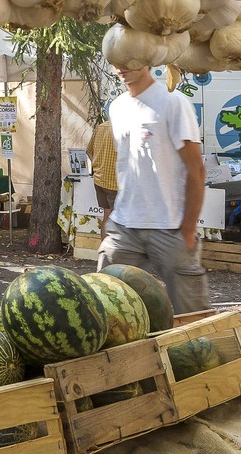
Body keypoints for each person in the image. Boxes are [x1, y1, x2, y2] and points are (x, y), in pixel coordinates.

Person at [96, 66, 211, 313]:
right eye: (116, 59)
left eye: (129, 58)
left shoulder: (173, 102)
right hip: (124, 225)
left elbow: (197, 170)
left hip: (170, 227)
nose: (121, 66)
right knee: (105, 304)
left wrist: (188, 229)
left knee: (192, 313)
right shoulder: (117, 107)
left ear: (147, 60)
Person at [88, 116, 118, 231]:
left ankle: (105, 248)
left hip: (100, 180)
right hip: (115, 183)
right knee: (118, 221)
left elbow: (89, 151)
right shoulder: (125, 129)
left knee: (107, 216)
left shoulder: (101, 127)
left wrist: (98, 167)